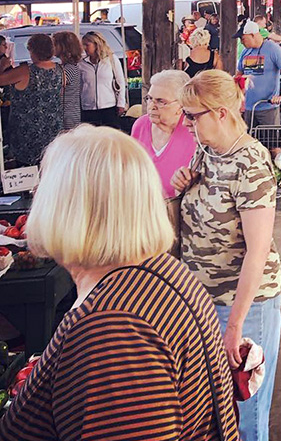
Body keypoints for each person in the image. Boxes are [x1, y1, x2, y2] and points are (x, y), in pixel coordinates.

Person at [0, 127, 239, 441]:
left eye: (44, 187)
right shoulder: (159, 271)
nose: (36, 197)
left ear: (68, 209)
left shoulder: (112, 328)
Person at [173, 70, 281, 441]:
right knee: (216, 415)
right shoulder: (205, 151)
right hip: (203, 302)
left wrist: (235, 325)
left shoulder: (250, 162)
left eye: (192, 115)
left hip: (243, 307)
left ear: (221, 112)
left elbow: (258, 250)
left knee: (246, 416)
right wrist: (182, 188)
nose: (185, 123)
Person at [131, 70, 197, 199]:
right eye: (150, 99)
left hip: (178, 209)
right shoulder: (140, 125)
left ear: (181, 105)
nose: (151, 106)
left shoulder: (193, 132)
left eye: (161, 101)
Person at [0, 34, 63, 166]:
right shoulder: (59, 69)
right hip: (52, 125)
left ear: (33, 50)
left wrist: (2, 65)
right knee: (49, 164)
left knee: (27, 166)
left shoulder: (25, 71)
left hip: (27, 129)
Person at [236, 19, 281, 128]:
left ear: (252, 35)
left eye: (243, 38)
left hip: (267, 106)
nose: (241, 42)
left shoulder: (273, 49)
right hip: (248, 108)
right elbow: (239, 75)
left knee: (271, 141)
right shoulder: (245, 52)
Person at [79, 31, 127, 128]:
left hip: (109, 106)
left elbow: (121, 82)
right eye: (83, 45)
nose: (84, 48)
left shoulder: (111, 59)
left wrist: (121, 103)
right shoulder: (82, 63)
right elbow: (80, 85)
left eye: (87, 45)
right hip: (88, 108)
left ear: (96, 45)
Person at [52, 31, 83, 131]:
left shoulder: (69, 69)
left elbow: (55, 84)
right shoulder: (67, 67)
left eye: (55, 44)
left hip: (68, 115)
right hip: (67, 113)